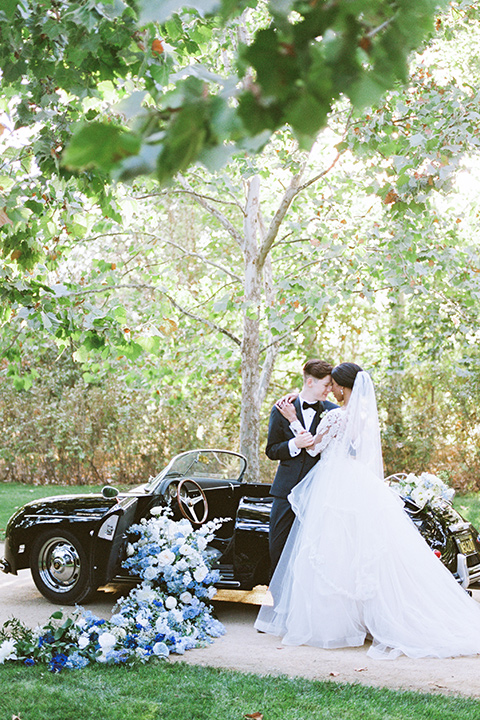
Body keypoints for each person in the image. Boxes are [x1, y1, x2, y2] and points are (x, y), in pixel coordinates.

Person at [255, 363, 480, 658]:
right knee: (348, 549)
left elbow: (312, 448)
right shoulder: (359, 416)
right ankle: (354, 617)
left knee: (329, 550)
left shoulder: (334, 414)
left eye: (333, 385)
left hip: (331, 483)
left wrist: (294, 421)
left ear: (343, 387)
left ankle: (329, 623)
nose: (330, 390)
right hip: (349, 480)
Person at [266, 359, 338, 575]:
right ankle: (278, 603)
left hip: (318, 492)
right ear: (309, 382)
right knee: (277, 547)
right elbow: (271, 450)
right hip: (285, 490)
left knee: (312, 552)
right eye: (326, 384)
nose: (330, 389)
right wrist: (293, 445)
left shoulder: (333, 413)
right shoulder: (281, 409)